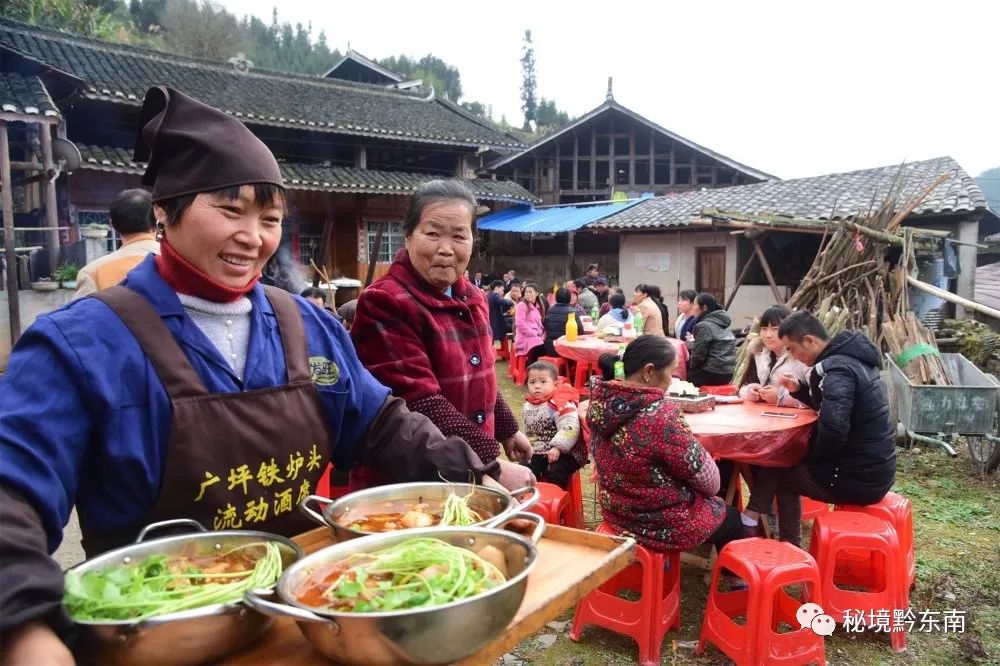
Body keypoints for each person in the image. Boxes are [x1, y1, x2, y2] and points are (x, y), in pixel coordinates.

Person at [0, 88, 501, 664]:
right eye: (230, 210)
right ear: (166, 209)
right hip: (153, 633)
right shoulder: (79, 343)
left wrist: (474, 478)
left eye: (270, 219)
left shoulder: (308, 325)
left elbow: (380, 423)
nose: (254, 237)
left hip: (303, 617)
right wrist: (22, 628)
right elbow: (12, 491)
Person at [351, 180, 536, 492]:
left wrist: (505, 427)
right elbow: (419, 402)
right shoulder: (385, 302)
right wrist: (488, 461)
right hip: (412, 476)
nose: (446, 249)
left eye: (459, 236)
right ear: (408, 235)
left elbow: (481, 374)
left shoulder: (473, 297)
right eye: (433, 233)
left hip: (468, 465)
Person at [741, 311, 897, 545]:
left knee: (784, 467)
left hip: (859, 479)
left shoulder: (837, 370)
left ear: (810, 341)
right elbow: (834, 407)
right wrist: (800, 390)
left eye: (792, 349)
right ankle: (758, 521)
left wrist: (811, 458)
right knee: (786, 460)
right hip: (874, 469)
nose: (793, 356)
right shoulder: (851, 360)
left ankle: (775, 535)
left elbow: (834, 429)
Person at [588, 335, 744, 553]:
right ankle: (735, 581)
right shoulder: (661, 416)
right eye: (671, 373)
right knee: (736, 521)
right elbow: (711, 483)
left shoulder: (600, 403)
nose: (672, 381)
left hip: (616, 512)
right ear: (649, 371)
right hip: (656, 523)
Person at [73, 188, 160, 298]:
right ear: (157, 220)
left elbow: (81, 314)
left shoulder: (94, 273)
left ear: (112, 224)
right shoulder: (179, 261)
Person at [522, 361, 584, 489]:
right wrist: (525, 447)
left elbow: (570, 426)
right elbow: (528, 431)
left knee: (556, 472)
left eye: (543, 382)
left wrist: (557, 447)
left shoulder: (561, 403)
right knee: (522, 471)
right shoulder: (528, 405)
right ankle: (530, 502)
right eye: (532, 382)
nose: (537, 386)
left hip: (566, 452)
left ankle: (556, 503)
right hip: (538, 451)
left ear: (555, 385)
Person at [738, 305, 811, 408]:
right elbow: (744, 386)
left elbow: (817, 398)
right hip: (766, 416)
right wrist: (750, 391)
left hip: (798, 419)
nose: (768, 335)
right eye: (764, 329)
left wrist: (781, 398)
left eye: (775, 329)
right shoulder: (758, 353)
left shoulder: (803, 357)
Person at [686, 292, 736, 386]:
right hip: (728, 373)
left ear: (704, 308)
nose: (692, 307)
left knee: (685, 376)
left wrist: (689, 367)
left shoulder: (703, 325)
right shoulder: (722, 322)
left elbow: (698, 356)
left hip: (712, 373)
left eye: (695, 304)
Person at [543, 287, 584, 356]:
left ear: (556, 298)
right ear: (569, 299)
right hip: (565, 349)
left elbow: (545, 326)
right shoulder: (572, 312)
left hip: (549, 348)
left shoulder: (549, 310)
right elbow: (580, 332)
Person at [514, 281, 547, 365]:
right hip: (524, 337)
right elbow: (519, 323)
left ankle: (536, 366)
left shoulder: (538, 306)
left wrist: (542, 334)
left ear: (536, 293)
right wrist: (532, 333)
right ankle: (531, 366)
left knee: (546, 345)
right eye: (526, 292)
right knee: (537, 344)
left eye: (530, 292)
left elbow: (540, 324)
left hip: (536, 336)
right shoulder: (521, 305)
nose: (528, 294)